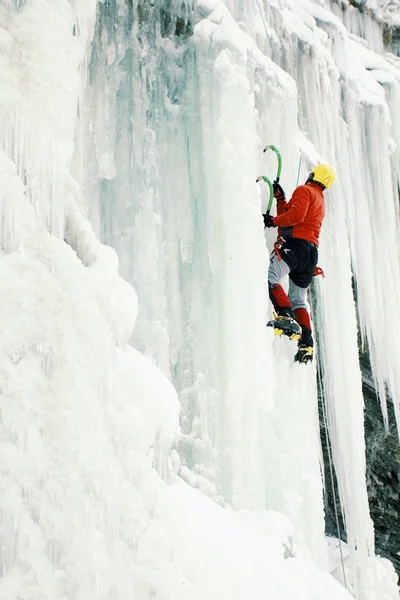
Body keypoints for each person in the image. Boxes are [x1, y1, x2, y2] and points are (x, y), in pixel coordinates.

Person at [263, 164, 336, 363]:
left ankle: (285, 317)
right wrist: (280, 199)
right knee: (298, 299)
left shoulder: (305, 190)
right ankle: (306, 343)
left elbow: (295, 217)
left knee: (271, 277)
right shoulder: (320, 200)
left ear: (313, 175)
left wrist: (271, 221)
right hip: (310, 255)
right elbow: (292, 216)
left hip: (295, 247)